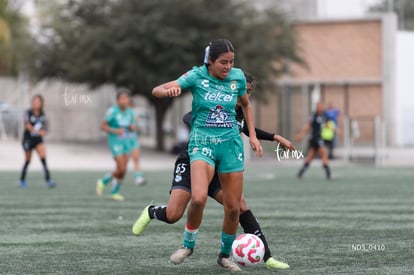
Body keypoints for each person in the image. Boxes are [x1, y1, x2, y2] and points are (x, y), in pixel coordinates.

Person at [133, 73, 294, 269]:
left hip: (219, 169)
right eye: (242, 92)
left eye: (248, 93)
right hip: (193, 162)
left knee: (239, 207)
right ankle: (152, 212)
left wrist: (276, 137)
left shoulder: (239, 116)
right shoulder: (211, 103)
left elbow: (248, 129)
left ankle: (265, 257)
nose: (243, 97)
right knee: (173, 215)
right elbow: (188, 116)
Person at [152, 39, 263, 271]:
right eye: (223, 62)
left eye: (231, 62)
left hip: (230, 146)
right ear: (210, 62)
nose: (228, 67)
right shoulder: (196, 75)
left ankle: (224, 256)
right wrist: (169, 91)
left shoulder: (238, 77)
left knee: (233, 207)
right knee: (199, 197)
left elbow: (246, 105)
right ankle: (188, 245)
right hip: (202, 143)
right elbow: (157, 90)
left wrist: (252, 135)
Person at [96, 88, 136, 201]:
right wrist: (115, 131)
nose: (124, 101)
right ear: (118, 100)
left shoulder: (130, 112)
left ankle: (114, 192)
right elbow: (102, 126)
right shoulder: (112, 111)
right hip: (115, 142)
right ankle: (103, 181)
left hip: (127, 142)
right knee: (121, 168)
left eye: (126, 98)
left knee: (123, 169)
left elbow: (132, 127)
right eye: (122, 99)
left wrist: (132, 128)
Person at [19, 94, 55, 188]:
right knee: (28, 160)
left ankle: (48, 180)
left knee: (43, 157)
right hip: (28, 139)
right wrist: (36, 131)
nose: (35, 103)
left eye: (38, 102)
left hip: (38, 140)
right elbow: (27, 125)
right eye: (34, 101)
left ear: (41, 103)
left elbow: (45, 129)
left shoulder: (43, 115)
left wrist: (42, 132)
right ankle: (22, 180)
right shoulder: (28, 113)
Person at [296, 102, 332, 179]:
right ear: (317, 107)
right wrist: (301, 134)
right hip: (315, 139)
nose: (321, 108)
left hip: (319, 139)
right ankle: (328, 174)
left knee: (310, 157)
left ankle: (301, 172)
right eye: (319, 106)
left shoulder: (324, 116)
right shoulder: (314, 116)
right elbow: (308, 126)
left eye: (322, 106)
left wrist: (336, 130)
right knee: (324, 154)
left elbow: (328, 125)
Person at [128, 99, 146, 186]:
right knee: (122, 162)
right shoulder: (118, 114)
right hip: (122, 142)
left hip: (133, 140)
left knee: (136, 159)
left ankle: (138, 177)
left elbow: (134, 127)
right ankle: (116, 178)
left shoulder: (133, 115)